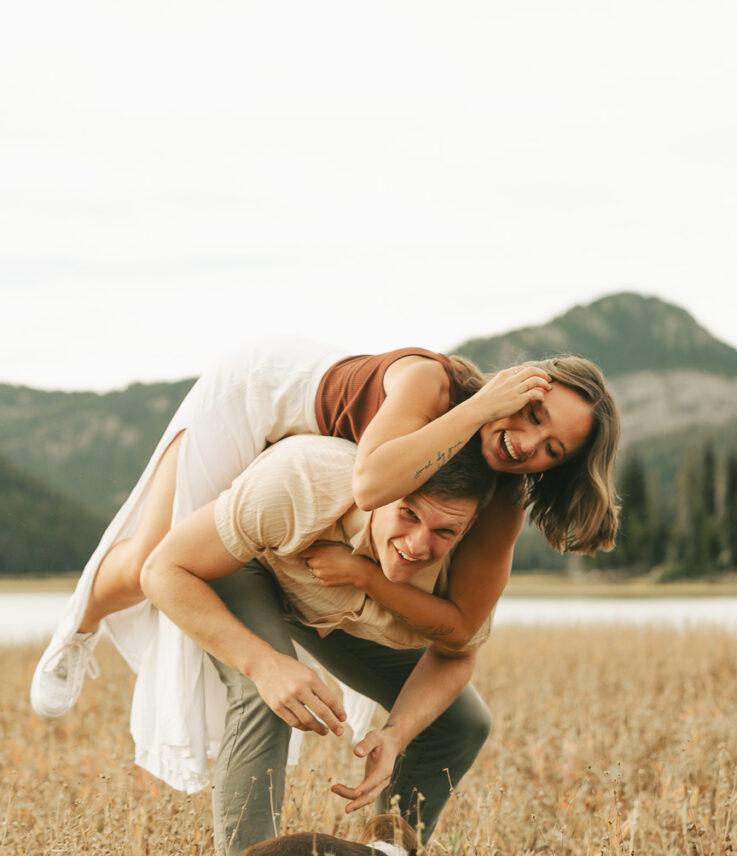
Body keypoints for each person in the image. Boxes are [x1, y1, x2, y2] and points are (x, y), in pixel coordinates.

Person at [31, 338, 620, 794]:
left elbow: (463, 627)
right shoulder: (429, 383)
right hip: (255, 395)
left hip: (297, 467)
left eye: (551, 450)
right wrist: (483, 408)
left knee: (207, 554)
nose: (527, 442)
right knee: (148, 562)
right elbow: (369, 485)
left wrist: (365, 577)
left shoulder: (501, 491)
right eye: (534, 415)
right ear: (516, 389)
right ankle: (77, 628)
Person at [140, 430, 497, 856]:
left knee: (461, 721)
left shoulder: (473, 563)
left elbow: (457, 653)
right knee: (266, 695)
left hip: (331, 605)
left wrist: (397, 734)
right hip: (247, 561)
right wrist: (264, 665)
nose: (419, 545)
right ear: (380, 493)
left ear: (470, 527)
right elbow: (161, 570)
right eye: (408, 514)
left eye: (445, 531)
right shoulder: (298, 480)